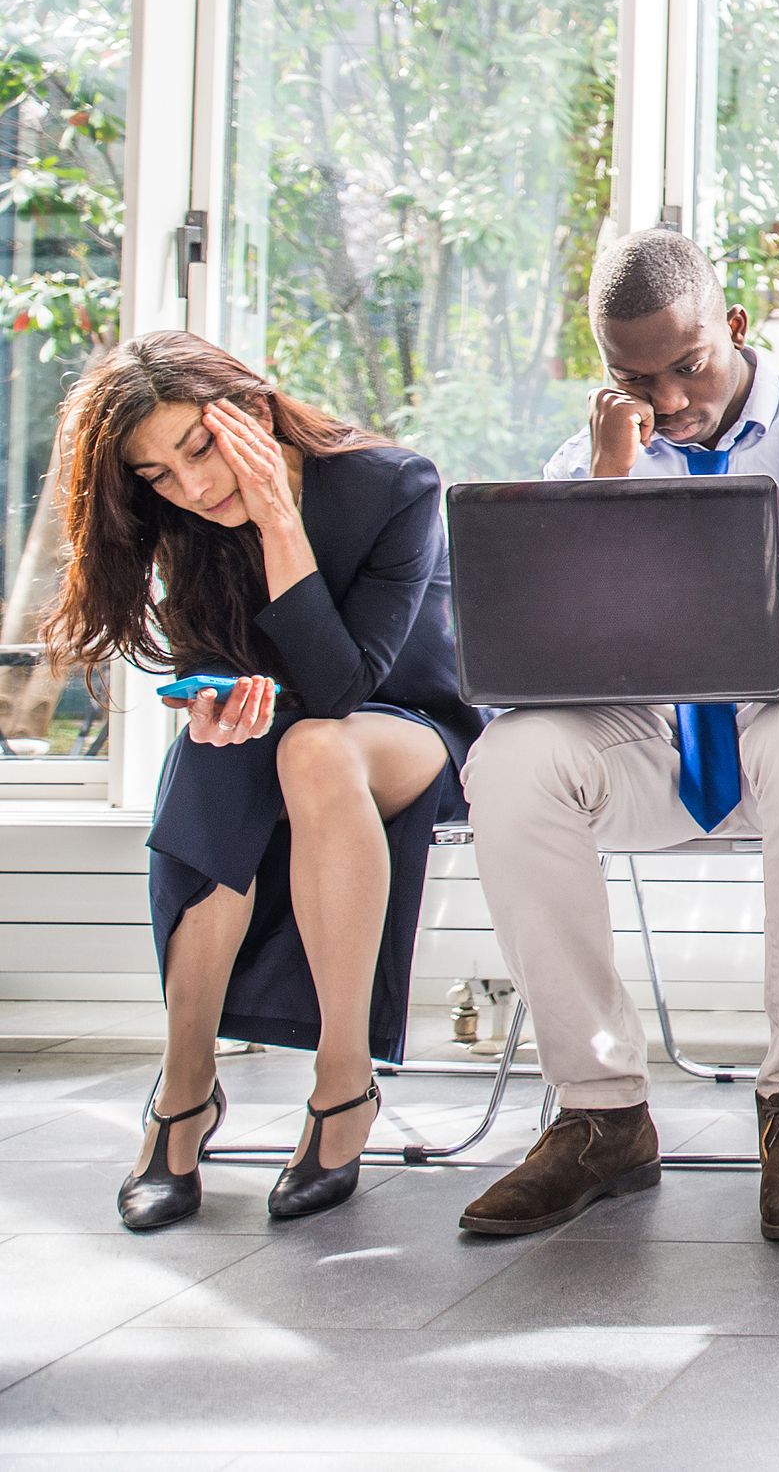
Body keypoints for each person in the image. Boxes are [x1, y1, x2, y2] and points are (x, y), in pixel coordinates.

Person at [457, 228, 779, 1244]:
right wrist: (607, 485)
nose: (671, 399)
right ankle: (601, 1114)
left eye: (688, 365)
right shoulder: (592, 454)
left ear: (734, 326)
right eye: (636, 377)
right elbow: (541, 653)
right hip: (652, 744)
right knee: (507, 763)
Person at [42, 333, 482, 1231]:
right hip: (280, 729)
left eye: (199, 449)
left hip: (413, 732)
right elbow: (230, 666)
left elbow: (344, 686)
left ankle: (343, 1080)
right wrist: (209, 699)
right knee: (223, 757)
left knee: (316, 745)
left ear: (253, 407)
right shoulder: (185, 521)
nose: (194, 488)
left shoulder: (394, 484)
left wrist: (281, 522)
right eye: (158, 475)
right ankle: (185, 1091)